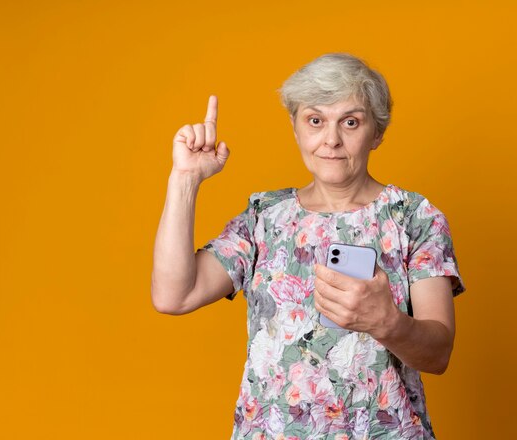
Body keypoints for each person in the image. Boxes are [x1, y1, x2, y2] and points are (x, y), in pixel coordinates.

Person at [151, 53, 466, 439]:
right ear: (296, 127)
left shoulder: (414, 217)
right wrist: (184, 180)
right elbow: (174, 295)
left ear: (378, 132)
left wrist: (387, 323)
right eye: (315, 121)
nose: (331, 140)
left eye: (350, 122)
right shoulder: (264, 217)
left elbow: (438, 355)